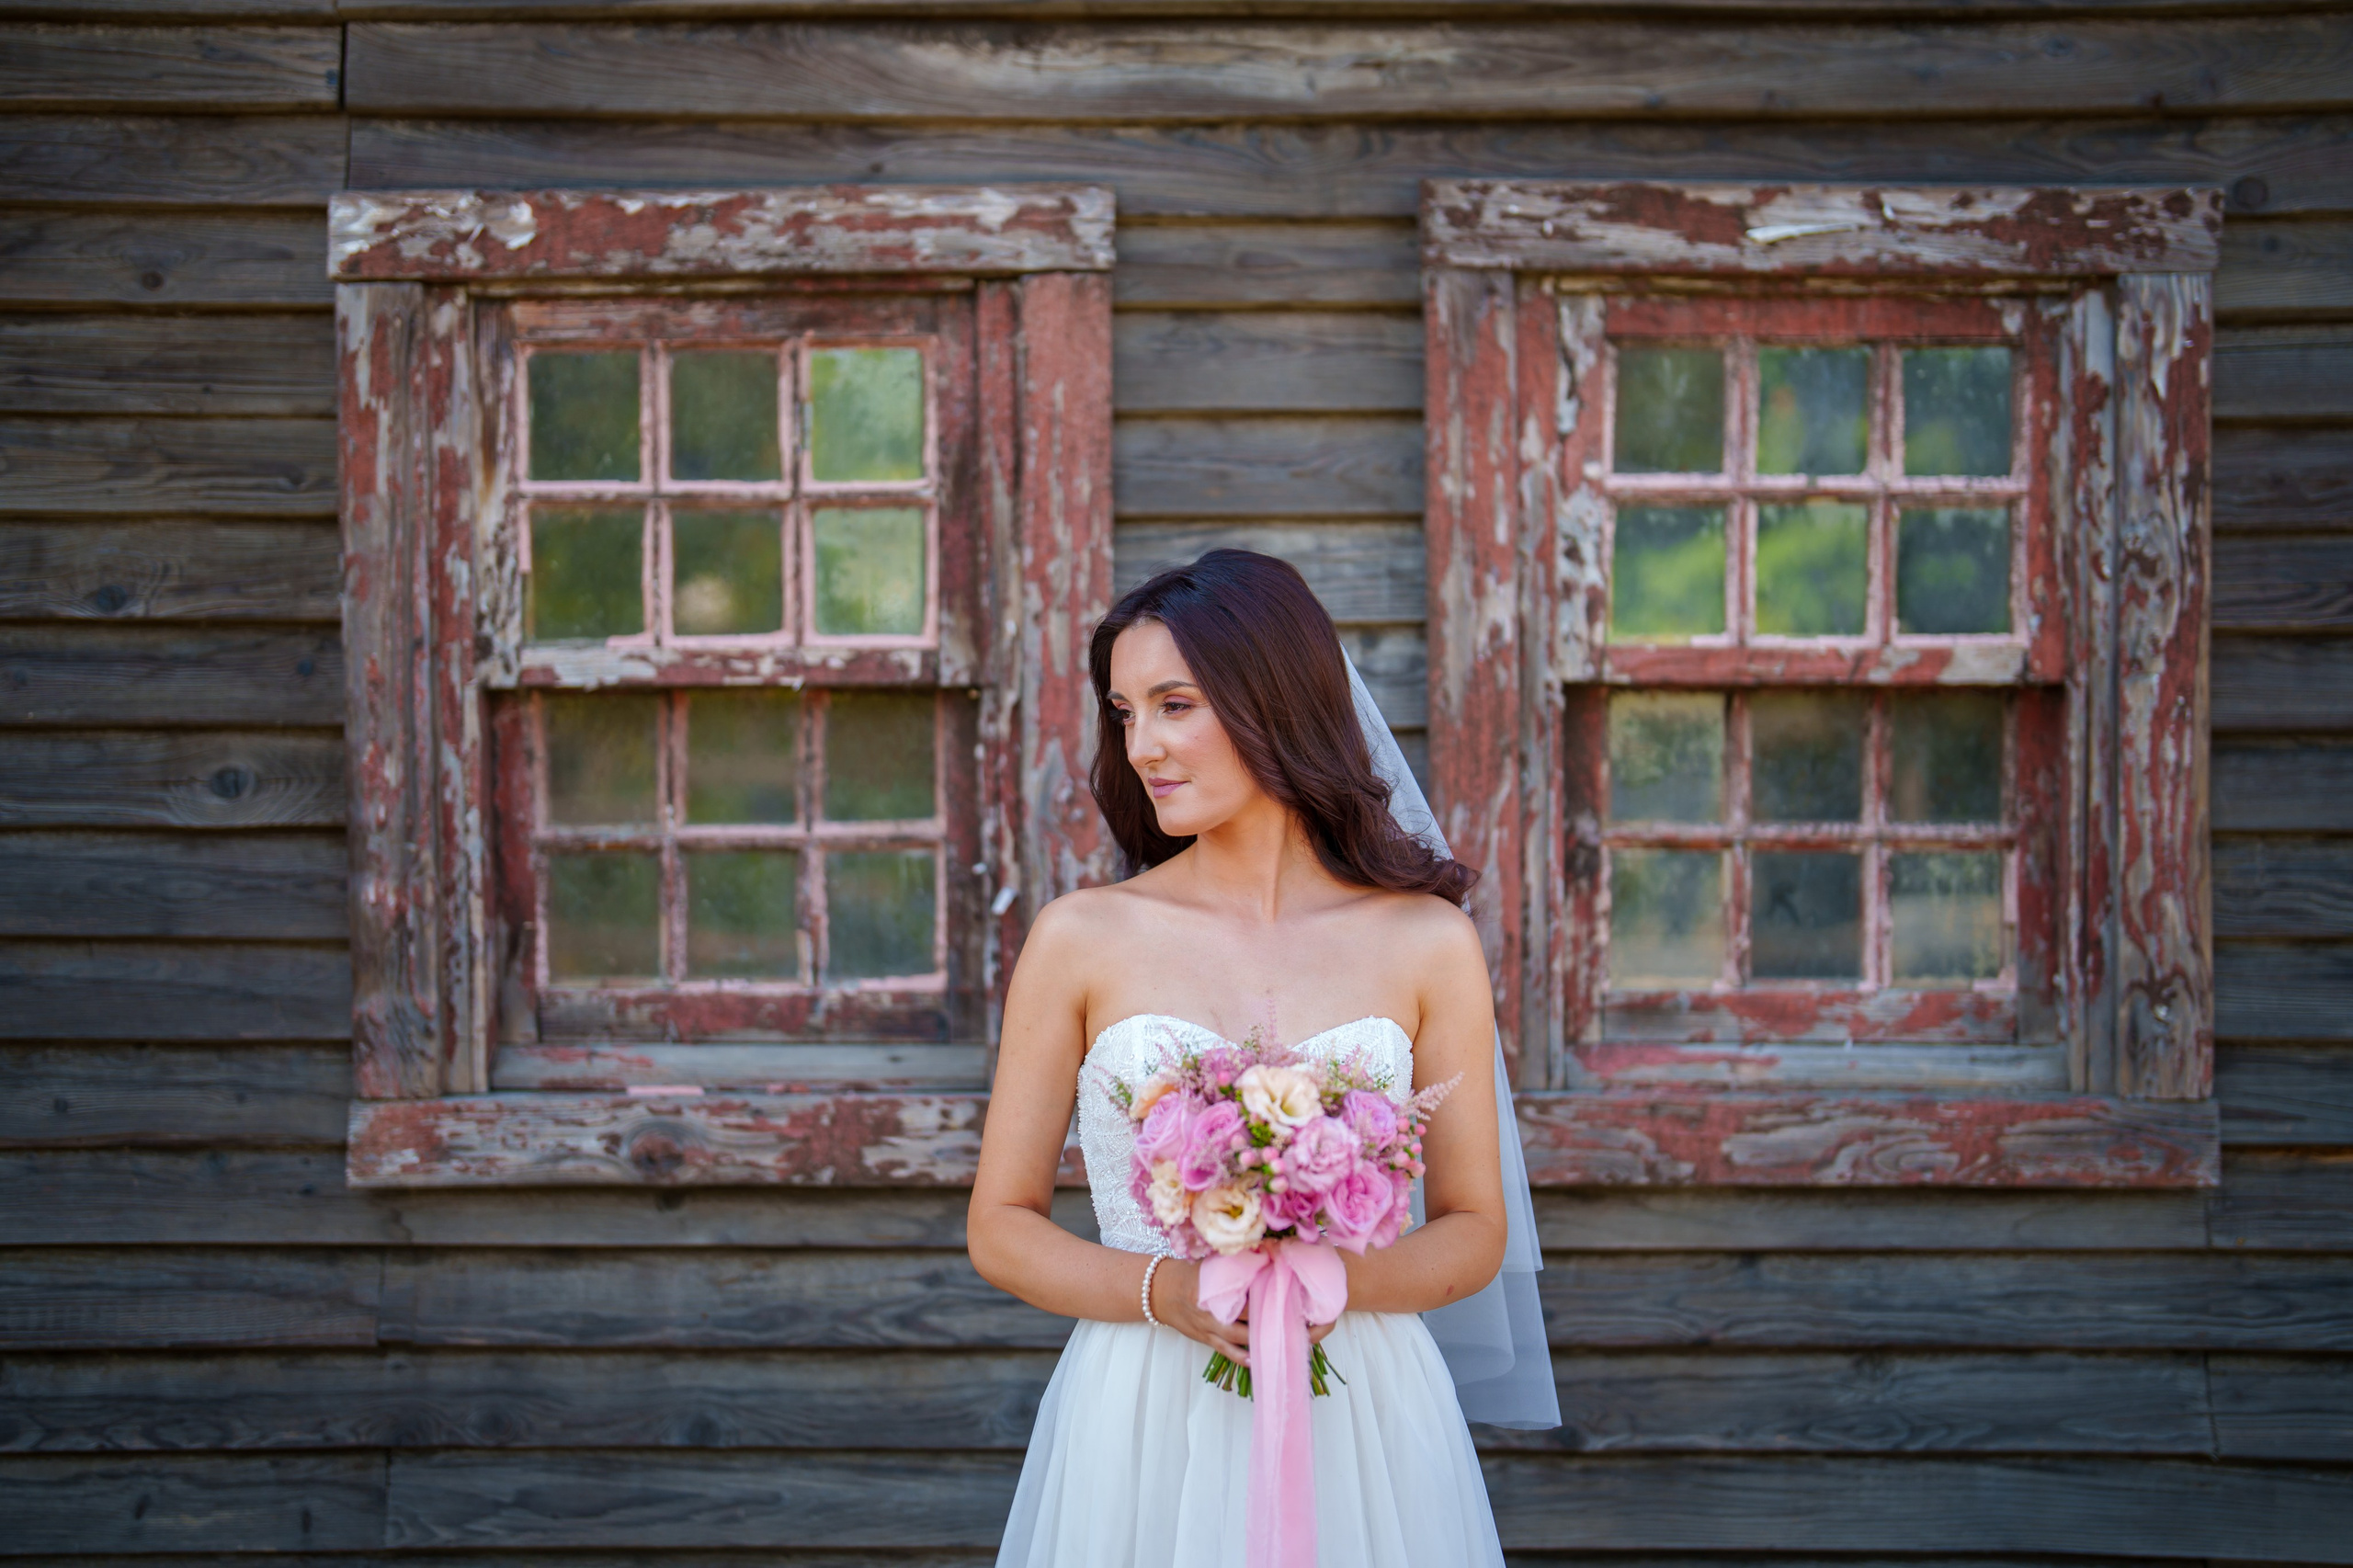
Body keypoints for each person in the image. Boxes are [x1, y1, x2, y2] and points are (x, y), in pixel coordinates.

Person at [970, 549, 1533, 1567]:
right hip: (1141, 1397)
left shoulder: (1426, 943)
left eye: (1175, 704)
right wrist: (1169, 1292)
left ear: (1269, 700)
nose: (1142, 744)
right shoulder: (1078, 936)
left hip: (1359, 1398)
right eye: (1125, 711)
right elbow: (999, 1226)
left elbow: (1474, 1228)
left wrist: (1318, 1284)